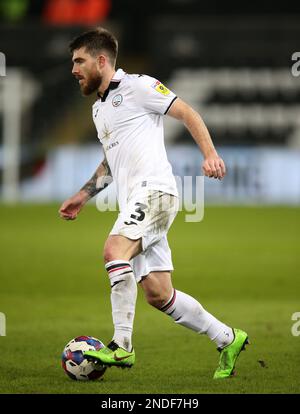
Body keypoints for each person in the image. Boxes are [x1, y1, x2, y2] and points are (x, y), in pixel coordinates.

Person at [59, 27, 249, 379]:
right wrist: (83, 195)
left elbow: (188, 113)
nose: (74, 68)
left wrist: (210, 155)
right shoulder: (99, 110)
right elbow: (110, 162)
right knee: (159, 294)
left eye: (79, 61)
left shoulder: (139, 86)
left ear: (102, 60)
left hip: (156, 192)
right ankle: (228, 337)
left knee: (114, 251)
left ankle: (122, 346)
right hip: (138, 198)